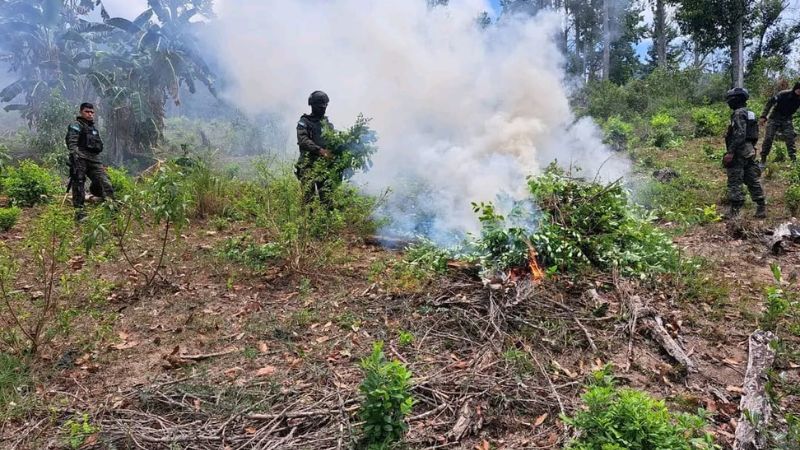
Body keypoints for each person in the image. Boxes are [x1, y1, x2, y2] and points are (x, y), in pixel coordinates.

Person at [723, 87, 766, 219]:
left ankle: (735, 212)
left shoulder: (738, 113)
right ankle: (761, 207)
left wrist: (730, 152)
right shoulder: (750, 113)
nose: (729, 102)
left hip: (739, 150)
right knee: (751, 178)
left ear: (736, 99)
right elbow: (753, 134)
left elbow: (740, 133)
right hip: (749, 150)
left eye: (730, 99)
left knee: (735, 179)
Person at [65, 103, 114, 220]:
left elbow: (98, 146)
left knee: (105, 182)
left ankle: (111, 210)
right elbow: (72, 143)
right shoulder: (76, 125)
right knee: (79, 185)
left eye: (92, 112)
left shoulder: (93, 129)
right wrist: (75, 157)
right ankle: (80, 213)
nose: (90, 114)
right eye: (87, 112)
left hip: (94, 160)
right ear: (81, 112)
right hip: (80, 158)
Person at [295, 90, 338, 207]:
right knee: (309, 201)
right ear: (312, 106)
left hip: (323, 167)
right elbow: (303, 140)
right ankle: (307, 225)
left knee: (327, 201)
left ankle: (327, 225)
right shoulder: (304, 122)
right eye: (320, 106)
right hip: (307, 166)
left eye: (325, 106)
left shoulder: (328, 125)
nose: (323, 109)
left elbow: (333, 144)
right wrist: (320, 151)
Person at [760, 81, 800, 164]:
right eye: (799, 91)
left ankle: (793, 160)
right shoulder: (783, 94)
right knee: (768, 138)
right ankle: (763, 159)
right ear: (795, 89)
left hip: (787, 119)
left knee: (790, 138)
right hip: (775, 117)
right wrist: (764, 116)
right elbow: (770, 103)